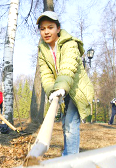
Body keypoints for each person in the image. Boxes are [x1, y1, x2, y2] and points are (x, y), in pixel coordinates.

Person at [37, 11, 94, 156]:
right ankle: (68, 156)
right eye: (43, 29)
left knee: (70, 123)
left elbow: (68, 67)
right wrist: (52, 91)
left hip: (76, 89)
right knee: (65, 124)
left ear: (58, 28)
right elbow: (46, 74)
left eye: (50, 27)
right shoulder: (43, 49)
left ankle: (70, 162)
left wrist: (61, 88)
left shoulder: (69, 43)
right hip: (61, 90)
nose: (46, 32)